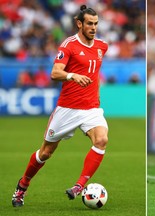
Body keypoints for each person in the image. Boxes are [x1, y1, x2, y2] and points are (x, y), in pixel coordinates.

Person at [12, 5, 109, 207]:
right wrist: (73, 75)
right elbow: (55, 73)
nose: (93, 27)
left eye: (96, 23)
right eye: (89, 23)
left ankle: (79, 185)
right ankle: (22, 185)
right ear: (79, 24)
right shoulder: (69, 45)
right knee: (45, 153)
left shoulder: (102, 46)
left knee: (101, 140)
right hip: (68, 108)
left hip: (91, 108)